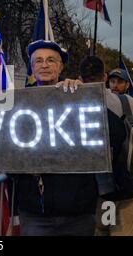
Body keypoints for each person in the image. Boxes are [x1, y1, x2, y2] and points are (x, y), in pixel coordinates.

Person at [13, 40, 99, 236]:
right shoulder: (18, 107)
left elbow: (114, 133)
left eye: (51, 60)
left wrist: (84, 95)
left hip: (77, 214)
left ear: (60, 66)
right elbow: (8, 156)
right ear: (32, 68)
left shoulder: (78, 96)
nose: (44, 65)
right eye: (38, 61)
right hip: (35, 214)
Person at [78, 56, 128, 236]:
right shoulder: (126, 103)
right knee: (113, 228)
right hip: (120, 187)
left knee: (99, 229)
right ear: (105, 77)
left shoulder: (72, 101)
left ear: (81, 78)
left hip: (89, 190)